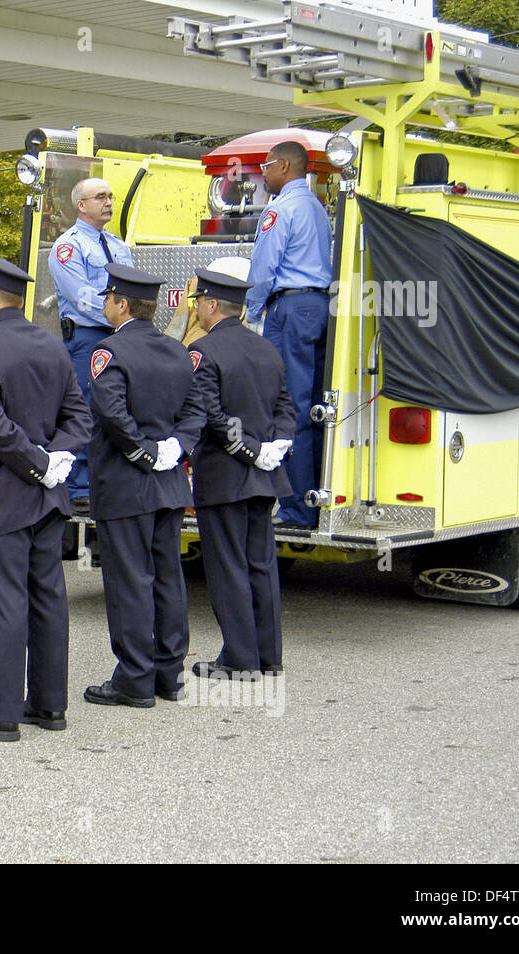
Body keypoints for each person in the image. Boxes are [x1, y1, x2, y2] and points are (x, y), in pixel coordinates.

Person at [0, 252, 92, 742]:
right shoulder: (51, 345)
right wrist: (53, 461)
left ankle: (0, 710)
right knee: (47, 598)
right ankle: (49, 705)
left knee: (4, 602)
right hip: (47, 498)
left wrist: (36, 461)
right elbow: (80, 418)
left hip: (1, 497)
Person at [83, 264, 205, 708]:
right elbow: (197, 409)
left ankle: (135, 678)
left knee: (130, 582)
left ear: (121, 304)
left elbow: (111, 412)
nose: (104, 306)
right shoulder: (177, 351)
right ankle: (168, 674)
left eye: (107, 299)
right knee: (167, 578)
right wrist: (175, 447)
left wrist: (143, 452)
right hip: (169, 484)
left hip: (126, 484)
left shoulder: (109, 350)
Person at [186, 267, 295, 679]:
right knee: (261, 566)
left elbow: (211, 415)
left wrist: (248, 452)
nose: (197, 310)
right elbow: (286, 406)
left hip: (226, 475)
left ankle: (239, 659)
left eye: (199, 303)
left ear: (213, 306)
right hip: (263, 475)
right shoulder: (266, 348)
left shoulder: (204, 351)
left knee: (228, 566)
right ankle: (268, 656)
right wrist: (274, 447)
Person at [245, 140, 333, 528]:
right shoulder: (317, 208)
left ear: (284, 166)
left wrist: (249, 310)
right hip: (318, 306)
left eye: (266, 166)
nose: (263, 173)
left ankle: (297, 509)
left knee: (287, 406)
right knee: (314, 408)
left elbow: (264, 267)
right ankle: (313, 497)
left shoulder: (279, 209)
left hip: (289, 307)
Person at [47, 176, 133, 516]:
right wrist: (118, 316)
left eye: (110, 196)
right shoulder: (68, 247)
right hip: (89, 337)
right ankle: (79, 485)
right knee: (86, 409)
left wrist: (131, 323)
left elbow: (134, 290)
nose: (109, 201)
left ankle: (109, 480)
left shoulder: (119, 245)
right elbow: (80, 296)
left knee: (119, 408)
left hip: (121, 335)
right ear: (81, 205)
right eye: (100, 197)